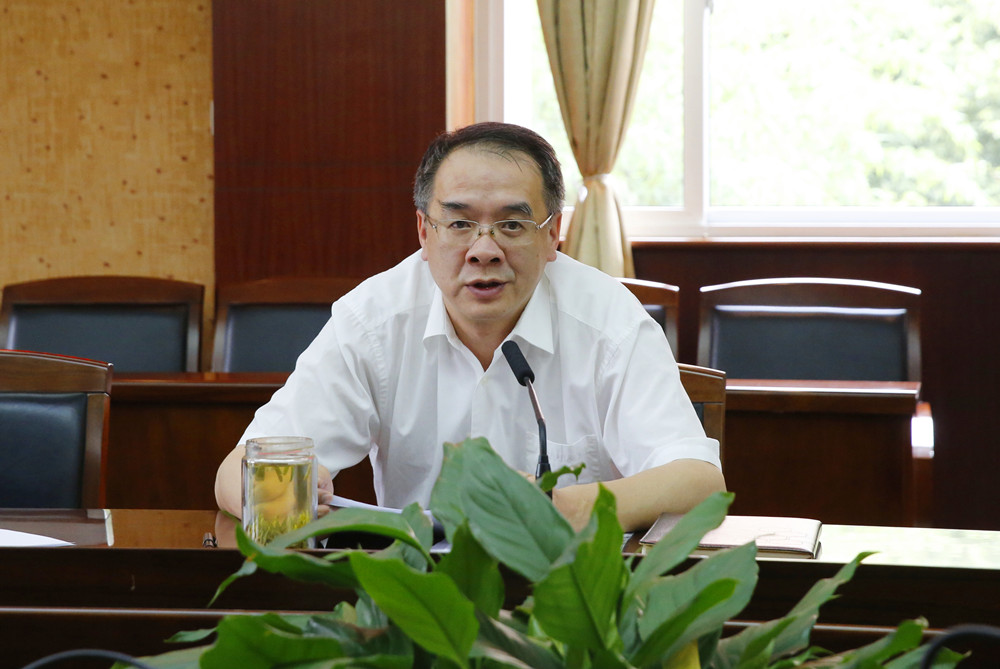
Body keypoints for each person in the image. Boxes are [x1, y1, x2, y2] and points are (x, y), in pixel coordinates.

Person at [215, 122, 725, 531]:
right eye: (460, 224)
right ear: (424, 231)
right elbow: (237, 471)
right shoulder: (374, 320)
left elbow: (699, 481)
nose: (484, 250)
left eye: (512, 225)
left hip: (572, 597)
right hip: (419, 598)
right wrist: (285, 497)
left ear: (553, 235)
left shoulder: (609, 321)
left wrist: (560, 508)